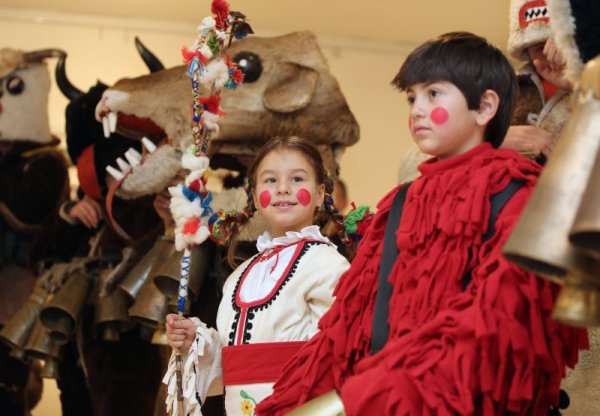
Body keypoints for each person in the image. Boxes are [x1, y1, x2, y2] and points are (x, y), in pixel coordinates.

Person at [256, 32, 587, 416]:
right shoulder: (399, 203)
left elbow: (500, 324)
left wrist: (383, 387)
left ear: (484, 107)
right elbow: (347, 330)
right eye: (412, 97)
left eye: (434, 94)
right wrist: (294, 403)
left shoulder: (518, 194)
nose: (416, 109)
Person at [164, 136, 351, 415]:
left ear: (320, 193)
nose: (283, 189)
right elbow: (234, 364)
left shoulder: (328, 266)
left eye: (297, 179)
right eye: (270, 180)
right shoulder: (239, 276)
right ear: (254, 194)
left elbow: (339, 361)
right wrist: (197, 343)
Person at [504, 0, 572, 163]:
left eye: (560, 43)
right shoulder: (505, 86)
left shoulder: (592, 83)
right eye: (540, 48)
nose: (551, 54)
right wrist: (499, 139)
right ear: (526, 50)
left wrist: (579, 83)